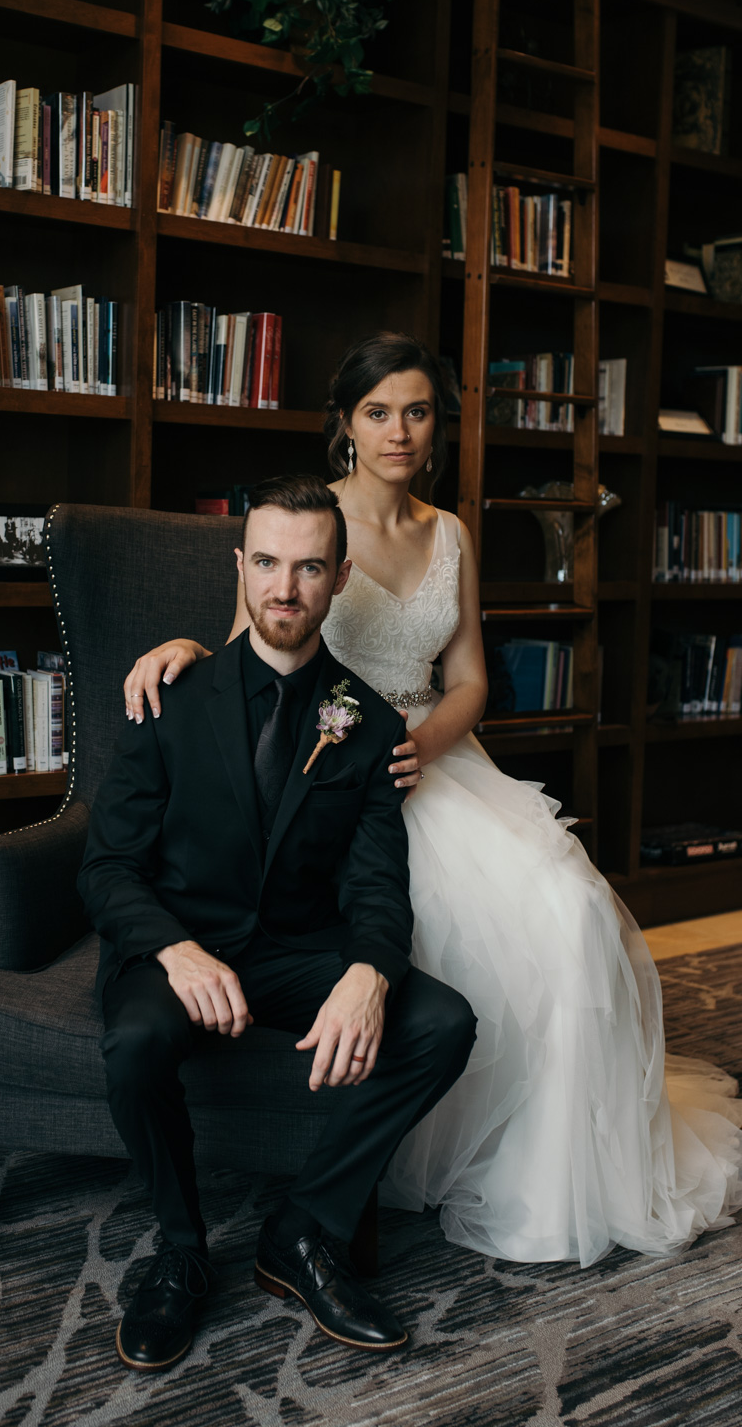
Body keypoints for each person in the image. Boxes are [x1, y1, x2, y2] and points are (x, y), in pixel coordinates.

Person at [123, 331, 742, 1269]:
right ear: (345, 425)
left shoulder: (451, 531)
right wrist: (181, 651)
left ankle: (550, 1175)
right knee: (437, 939)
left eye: (418, 411)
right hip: (331, 765)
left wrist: (415, 745)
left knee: (573, 915)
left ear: (438, 427)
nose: (400, 431)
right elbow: (254, 640)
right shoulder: (310, 526)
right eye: (379, 412)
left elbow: (468, 678)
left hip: (431, 757)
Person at [79, 471, 477, 1372]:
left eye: (306, 568)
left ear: (338, 579)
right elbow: (105, 866)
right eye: (266, 563)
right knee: (134, 1041)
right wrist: (176, 951)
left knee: (444, 1022)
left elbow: (379, 886)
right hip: (175, 947)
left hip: (298, 951)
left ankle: (302, 1232)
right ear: (242, 566)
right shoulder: (169, 691)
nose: (283, 588)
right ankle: (181, 1250)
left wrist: (369, 975)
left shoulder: (369, 725)